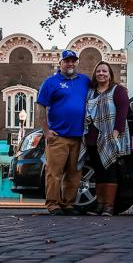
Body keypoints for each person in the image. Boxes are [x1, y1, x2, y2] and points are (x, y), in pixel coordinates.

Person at [37, 50, 90, 216]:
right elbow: (41, 107)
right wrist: (46, 132)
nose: (70, 64)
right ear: (60, 63)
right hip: (58, 136)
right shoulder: (51, 82)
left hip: (79, 137)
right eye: (67, 61)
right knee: (54, 173)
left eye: (73, 61)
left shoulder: (84, 81)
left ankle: (68, 204)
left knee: (74, 174)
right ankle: (53, 204)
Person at [79, 61, 130, 216]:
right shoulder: (90, 93)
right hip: (91, 139)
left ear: (110, 74)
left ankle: (108, 207)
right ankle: (99, 206)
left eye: (104, 71)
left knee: (109, 171)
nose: (101, 73)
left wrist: (115, 134)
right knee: (99, 172)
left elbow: (122, 113)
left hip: (109, 137)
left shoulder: (118, 90)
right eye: (99, 71)